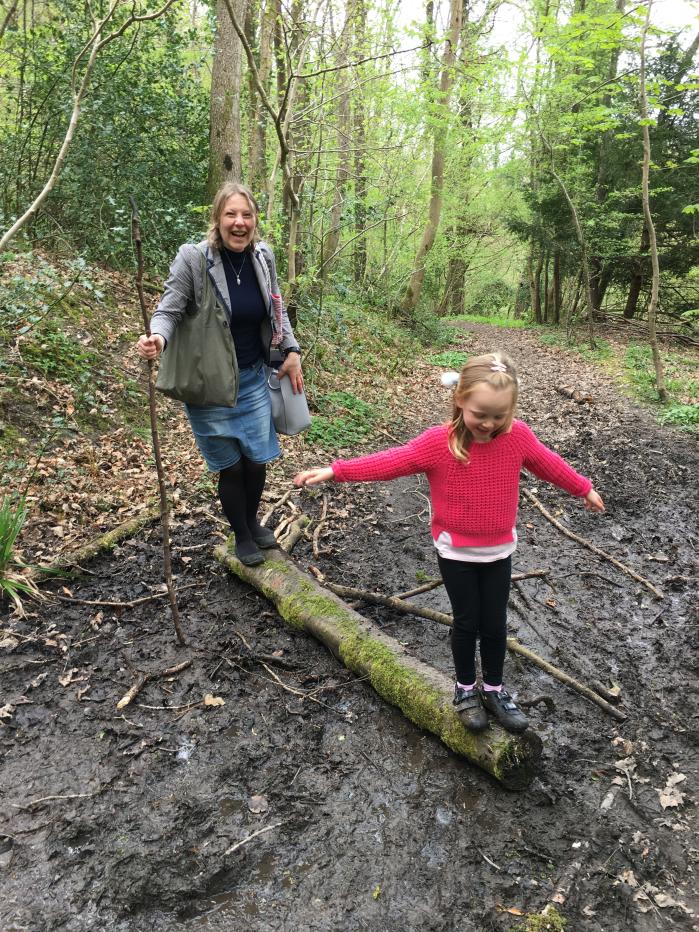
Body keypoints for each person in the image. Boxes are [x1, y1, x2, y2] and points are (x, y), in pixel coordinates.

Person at [293, 352, 605, 734]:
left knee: (494, 622)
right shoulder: (438, 443)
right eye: (481, 414)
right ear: (460, 400)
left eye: (499, 416)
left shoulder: (517, 437)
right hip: (455, 551)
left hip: (498, 550)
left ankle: (494, 688)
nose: (489, 424)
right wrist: (336, 470)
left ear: (511, 409)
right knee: (467, 621)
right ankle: (465, 688)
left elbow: (549, 463)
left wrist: (583, 488)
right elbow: (392, 461)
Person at [137, 182, 303, 567]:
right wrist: (157, 338)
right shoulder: (193, 259)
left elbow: (276, 310)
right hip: (209, 386)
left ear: (255, 219)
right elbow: (169, 308)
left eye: (246, 215)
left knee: (257, 460)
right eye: (231, 214)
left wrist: (291, 350)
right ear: (217, 218)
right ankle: (241, 535)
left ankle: (251, 521)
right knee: (230, 466)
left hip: (253, 378)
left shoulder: (263, 257)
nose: (239, 222)